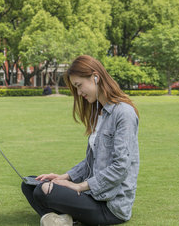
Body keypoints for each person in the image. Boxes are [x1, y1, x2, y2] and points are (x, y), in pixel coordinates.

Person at [21, 55, 140, 226]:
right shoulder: (98, 113)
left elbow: (120, 167)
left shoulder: (124, 114)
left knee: (42, 191)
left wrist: (78, 186)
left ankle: (62, 218)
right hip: (91, 195)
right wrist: (65, 177)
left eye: (79, 85)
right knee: (31, 184)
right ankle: (64, 219)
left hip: (110, 206)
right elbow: (92, 161)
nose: (78, 93)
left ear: (95, 77)